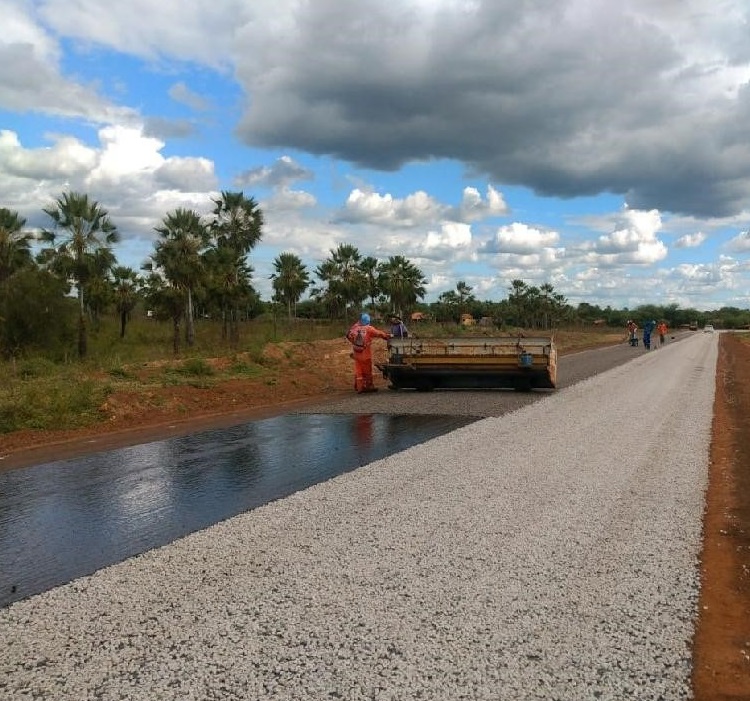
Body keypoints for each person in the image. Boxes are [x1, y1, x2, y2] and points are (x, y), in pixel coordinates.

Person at [345, 312, 391, 393]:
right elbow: (379, 334)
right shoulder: (369, 329)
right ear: (368, 321)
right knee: (367, 371)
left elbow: (348, 336)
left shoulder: (354, 328)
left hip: (357, 353)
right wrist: (387, 337)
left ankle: (359, 387)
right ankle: (369, 386)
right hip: (366, 354)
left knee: (359, 371)